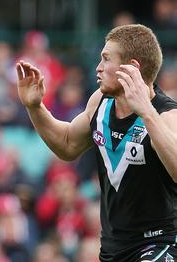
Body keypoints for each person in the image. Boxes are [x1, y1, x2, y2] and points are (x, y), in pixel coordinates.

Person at [16, 24, 177, 262]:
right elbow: (68, 144)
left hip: (160, 245)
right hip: (113, 248)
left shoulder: (167, 115)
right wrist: (35, 107)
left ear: (131, 69)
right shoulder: (100, 102)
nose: (98, 68)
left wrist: (146, 112)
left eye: (106, 59)